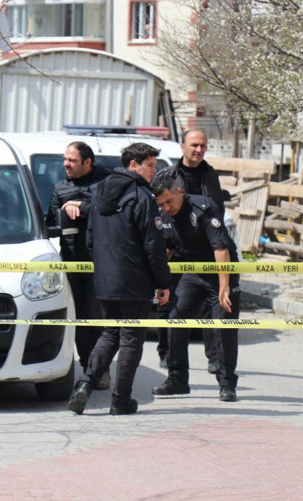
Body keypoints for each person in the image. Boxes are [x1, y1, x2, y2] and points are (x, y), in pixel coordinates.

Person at [68, 142, 171, 416]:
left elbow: (90, 238)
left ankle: (85, 385)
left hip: (104, 279)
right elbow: (153, 245)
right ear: (133, 165)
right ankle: (120, 400)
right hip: (133, 281)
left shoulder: (100, 190)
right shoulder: (141, 195)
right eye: (150, 165)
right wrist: (163, 283)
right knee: (130, 340)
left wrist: (101, 269)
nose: (154, 170)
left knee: (110, 334)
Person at [149, 173, 240, 402]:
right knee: (176, 319)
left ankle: (227, 383)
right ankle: (177, 380)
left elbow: (221, 249)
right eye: (161, 204)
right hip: (193, 273)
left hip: (221, 269)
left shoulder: (202, 207)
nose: (167, 207)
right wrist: (161, 280)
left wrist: (224, 287)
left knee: (222, 327)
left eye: (169, 201)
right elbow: (168, 248)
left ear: (179, 191)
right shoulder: (163, 215)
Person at [158, 128, 226, 374]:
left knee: (211, 306)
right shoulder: (168, 174)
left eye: (203, 146)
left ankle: (214, 358)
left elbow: (218, 209)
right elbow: (162, 210)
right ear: (182, 147)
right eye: (194, 145)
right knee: (170, 305)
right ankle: (167, 354)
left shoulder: (210, 174)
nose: (198, 150)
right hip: (176, 249)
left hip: (205, 250)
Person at [45, 141, 110, 389]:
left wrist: (82, 207)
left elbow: (111, 209)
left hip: (100, 263)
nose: (66, 165)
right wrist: (60, 217)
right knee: (79, 318)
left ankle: (101, 369)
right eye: (64, 159)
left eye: (71, 160)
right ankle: (88, 368)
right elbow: (50, 222)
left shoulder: (106, 182)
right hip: (72, 263)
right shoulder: (60, 187)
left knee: (97, 318)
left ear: (87, 162)